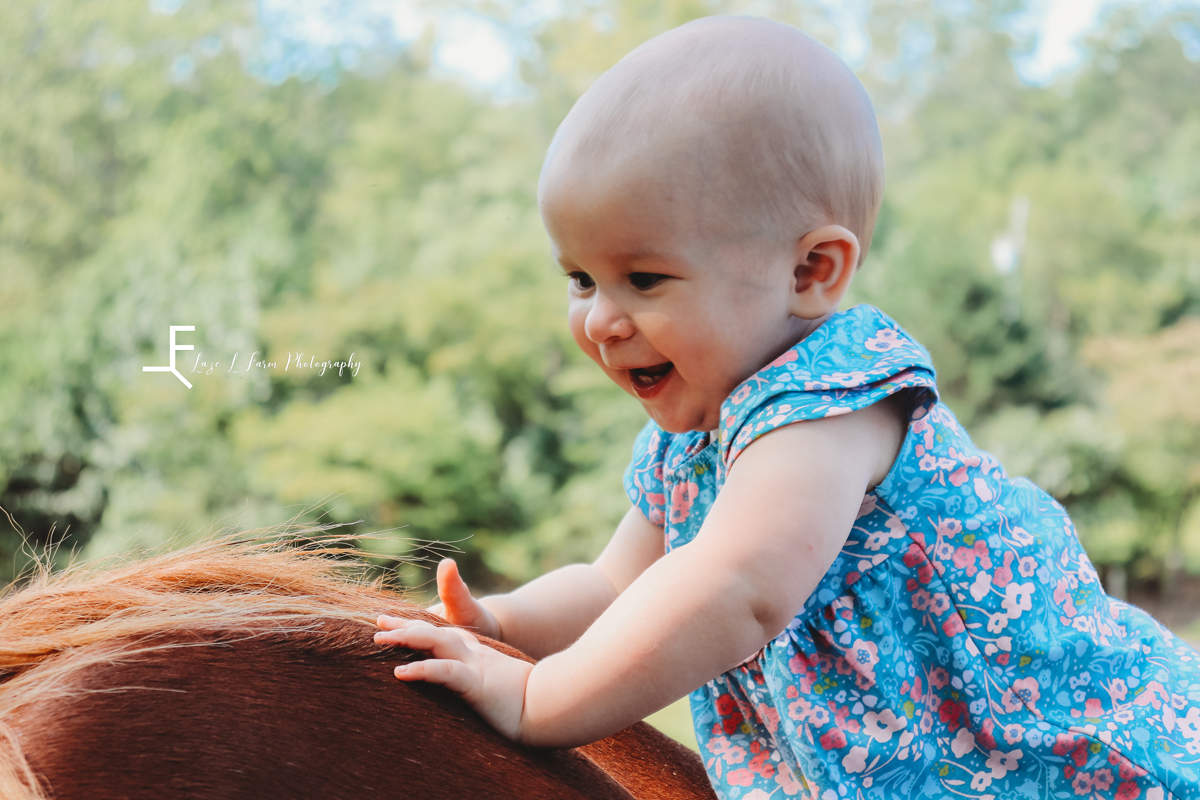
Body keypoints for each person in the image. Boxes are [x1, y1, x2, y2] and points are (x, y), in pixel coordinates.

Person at [373, 16, 1200, 800]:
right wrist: (505, 625)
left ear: (810, 271)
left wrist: (536, 699)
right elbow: (610, 585)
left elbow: (737, 588)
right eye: (581, 279)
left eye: (645, 278)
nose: (599, 319)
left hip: (1052, 762)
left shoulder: (830, 406)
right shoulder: (690, 442)